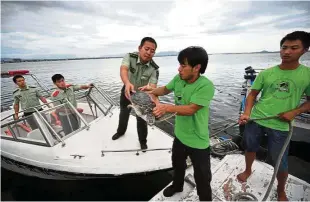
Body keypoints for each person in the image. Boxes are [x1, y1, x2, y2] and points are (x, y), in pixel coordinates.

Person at [237, 31, 310, 201]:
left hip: (281, 125)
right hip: (256, 119)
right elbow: (252, 94)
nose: (287, 52)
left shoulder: (306, 75)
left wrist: (295, 111)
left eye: (294, 48)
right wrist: (247, 113)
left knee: (280, 160)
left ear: (304, 50)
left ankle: (281, 188)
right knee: (250, 147)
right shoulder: (266, 73)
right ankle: (248, 170)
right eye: (284, 47)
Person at [142, 46, 215, 201]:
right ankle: (177, 186)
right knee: (178, 165)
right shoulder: (178, 79)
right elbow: (164, 90)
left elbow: (191, 109)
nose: (179, 69)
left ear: (196, 68)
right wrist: (151, 91)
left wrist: (165, 107)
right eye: (179, 65)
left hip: (198, 141)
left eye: (183, 65)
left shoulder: (206, 85)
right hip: (180, 136)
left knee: (202, 177)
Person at [112, 37, 160, 150]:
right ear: (140, 48)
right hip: (127, 90)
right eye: (146, 49)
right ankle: (120, 132)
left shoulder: (154, 68)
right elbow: (123, 69)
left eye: (152, 51)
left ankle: (143, 141)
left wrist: (151, 91)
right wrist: (127, 83)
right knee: (124, 113)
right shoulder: (129, 56)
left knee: (142, 119)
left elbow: (153, 87)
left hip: (142, 95)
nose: (149, 53)